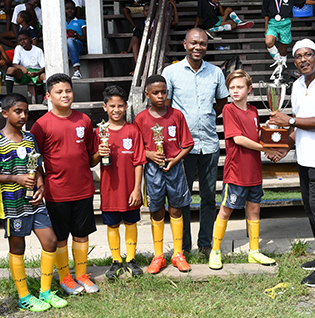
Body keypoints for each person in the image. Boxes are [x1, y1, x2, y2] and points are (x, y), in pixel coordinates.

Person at [0, 93, 67, 312]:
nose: (23, 116)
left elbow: (37, 166)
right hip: (11, 204)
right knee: (18, 246)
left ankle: (45, 291)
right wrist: (15, 178)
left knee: (50, 241)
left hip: (34, 201)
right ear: (4, 113)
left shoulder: (29, 138)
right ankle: (24, 296)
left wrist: (41, 186)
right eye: (18, 111)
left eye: (26, 112)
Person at [268, 39, 315, 287]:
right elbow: (299, 126)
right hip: (304, 157)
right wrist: (283, 149)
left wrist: (289, 121)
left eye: (307, 54)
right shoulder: (298, 84)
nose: (302, 59)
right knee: (311, 209)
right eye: (298, 56)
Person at [31, 73, 102, 296]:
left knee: (82, 233)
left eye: (68, 91)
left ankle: (81, 274)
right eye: (59, 92)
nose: (65, 95)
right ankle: (65, 277)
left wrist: (101, 153)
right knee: (60, 237)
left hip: (83, 188)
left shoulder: (84, 120)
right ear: (48, 96)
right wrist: (41, 184)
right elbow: (35, 160)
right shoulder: (41, 125)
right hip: (56, 192)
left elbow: (90, 157)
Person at [162, 29, 229, 255]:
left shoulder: (215, 73)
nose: (197, 47)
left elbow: (222, 101)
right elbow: (166, 106)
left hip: (209, 143)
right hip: (182, 147)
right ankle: (183, 246)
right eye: (193, 43)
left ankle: (205, 244)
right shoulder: (171, 72)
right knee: (183, 197)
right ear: (184, 44)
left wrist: (208, 114)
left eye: (202, 44)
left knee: (209, 196)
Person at [210, 70, 276, 269]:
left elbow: (255, 135)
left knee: (254, 210)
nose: (235, 91)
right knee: (226, 209)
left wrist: (269, 133)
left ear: (249, 89)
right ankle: (215, 251)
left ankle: (254, 251)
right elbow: (238, 139)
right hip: (236, 171)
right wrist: (265, 148)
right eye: (232, 88)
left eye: (239, 87)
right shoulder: (229, 110)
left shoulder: (254, 110)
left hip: (254, 170)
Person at [135, 75, 194, 272]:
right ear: (147, 95)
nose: (160, 96)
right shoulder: (141, 119)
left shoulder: (176, 115)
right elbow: (136, 149)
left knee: (176, 209)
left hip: (175, 168)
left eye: (163, 92)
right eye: (155, 93)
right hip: (153, 170)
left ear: (167, 93)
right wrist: (149, 153)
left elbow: (187, 145)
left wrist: (175, 159)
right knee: (156, 210)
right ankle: (158, 255)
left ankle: (178, 254)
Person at [97, 85, 145, 279]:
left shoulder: (133, 131)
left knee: (131, 222)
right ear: (104, 107)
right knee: (112, 225)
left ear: (126, 106)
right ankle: (116, 260)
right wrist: (98, 153)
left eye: (120, 106)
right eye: (111, 106)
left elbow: (139, 162)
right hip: (110, 189)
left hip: (129, 189)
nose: (116, 110)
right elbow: (92, 160)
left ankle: (131, 259)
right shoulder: (100, 132)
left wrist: (137, 189)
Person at [4, 31, 45, 95]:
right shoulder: (18, 48)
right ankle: (9, 95)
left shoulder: (38, 50)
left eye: (25, 39)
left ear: (30, 38)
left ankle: (47, 97)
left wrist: (36, 73)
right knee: (10, 69)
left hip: (36, 73)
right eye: (20, 40)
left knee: (44, 76)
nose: (22, 41)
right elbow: (14, 64)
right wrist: (22, 68)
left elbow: (43, 67)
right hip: (25, 73)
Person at [65, 0, 87, 79]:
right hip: (64, 48)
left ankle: (77, 71)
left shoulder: (80, 22)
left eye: (72, 9)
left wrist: (77, 36)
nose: (70, 11)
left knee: (70, 41)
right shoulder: (60, 22)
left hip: (78, 46)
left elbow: (86, 39)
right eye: (67, 9)